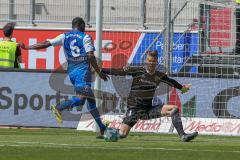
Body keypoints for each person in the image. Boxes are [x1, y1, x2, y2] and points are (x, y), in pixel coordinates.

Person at [21, 17, 108, 136]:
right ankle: (59, 107)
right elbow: (90, 56)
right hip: (82, 72)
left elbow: (46, 44)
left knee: (90, 100)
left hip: (72, 72)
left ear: (73, 26)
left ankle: (102, 128)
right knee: (81, 99)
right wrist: (99, 72)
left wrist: (27, 47)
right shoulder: (86, 37)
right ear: (82, 25)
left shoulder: (64, 36)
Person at [102, 50, 198, 142]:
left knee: (174, 109)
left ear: (157, 61)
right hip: (134, 110)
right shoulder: (137, 71)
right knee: (122, 134)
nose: (151, 63)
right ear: (146, 60)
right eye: (149, 61)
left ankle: (183, 135)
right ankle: (107, 131)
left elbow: (171, 81)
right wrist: (101, 70)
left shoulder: (159, 75)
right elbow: (118, 72)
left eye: (153, 61)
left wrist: (182, 88)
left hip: (147, 110)